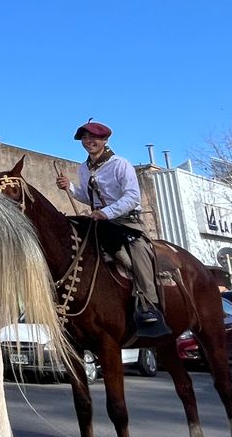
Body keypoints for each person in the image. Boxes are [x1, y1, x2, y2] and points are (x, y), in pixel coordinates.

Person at [55, 121, 170, 338]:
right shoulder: (83, 168)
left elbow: (132, 197)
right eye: (84, 139)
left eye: (93, 138)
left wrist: (106, 213)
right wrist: (69, 188)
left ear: (105, 140)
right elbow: (87, 196)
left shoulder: (120, 164)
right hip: (100, 222)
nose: (88, 142)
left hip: (126, 222)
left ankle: (149, 305)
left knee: (136, 253)